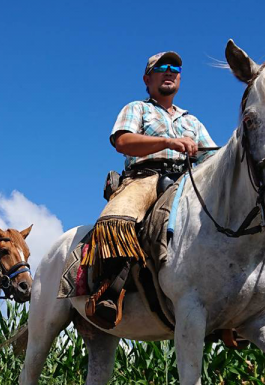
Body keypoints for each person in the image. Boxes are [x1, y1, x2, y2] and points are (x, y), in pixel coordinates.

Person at [81, 50, 216, 326]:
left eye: (175, 68)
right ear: (147, 79)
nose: (170, 71)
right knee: (115, 219)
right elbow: (123, 142)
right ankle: (110, 290)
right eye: (162, 67)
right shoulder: (137, 108)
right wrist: (168, 143)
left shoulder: (192, 121)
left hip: (186, 181)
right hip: (144, 178)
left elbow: (211, 157)